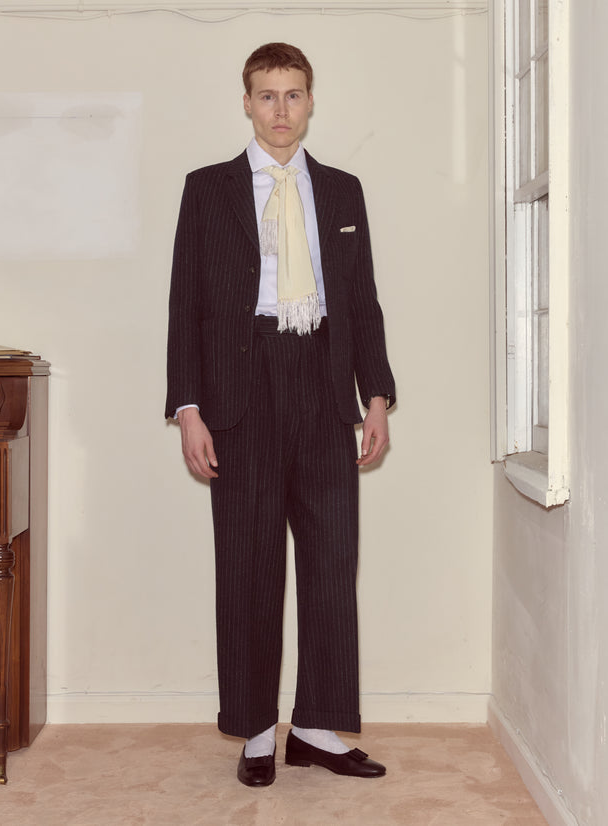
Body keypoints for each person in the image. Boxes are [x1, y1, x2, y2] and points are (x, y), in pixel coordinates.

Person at [166, 42, 396, 787]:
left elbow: (361, 303)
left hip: (323, 379)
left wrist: (378, 398)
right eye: (267, 96)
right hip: (239, 388)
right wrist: (189, 408)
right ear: (245, 102)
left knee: (332, 563)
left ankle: (320, 729)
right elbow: (185, 308)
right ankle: (259, 731)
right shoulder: (206, 190)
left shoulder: (343, 191)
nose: (280, 111)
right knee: (249, 566)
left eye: (293, 95)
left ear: (310, 101)